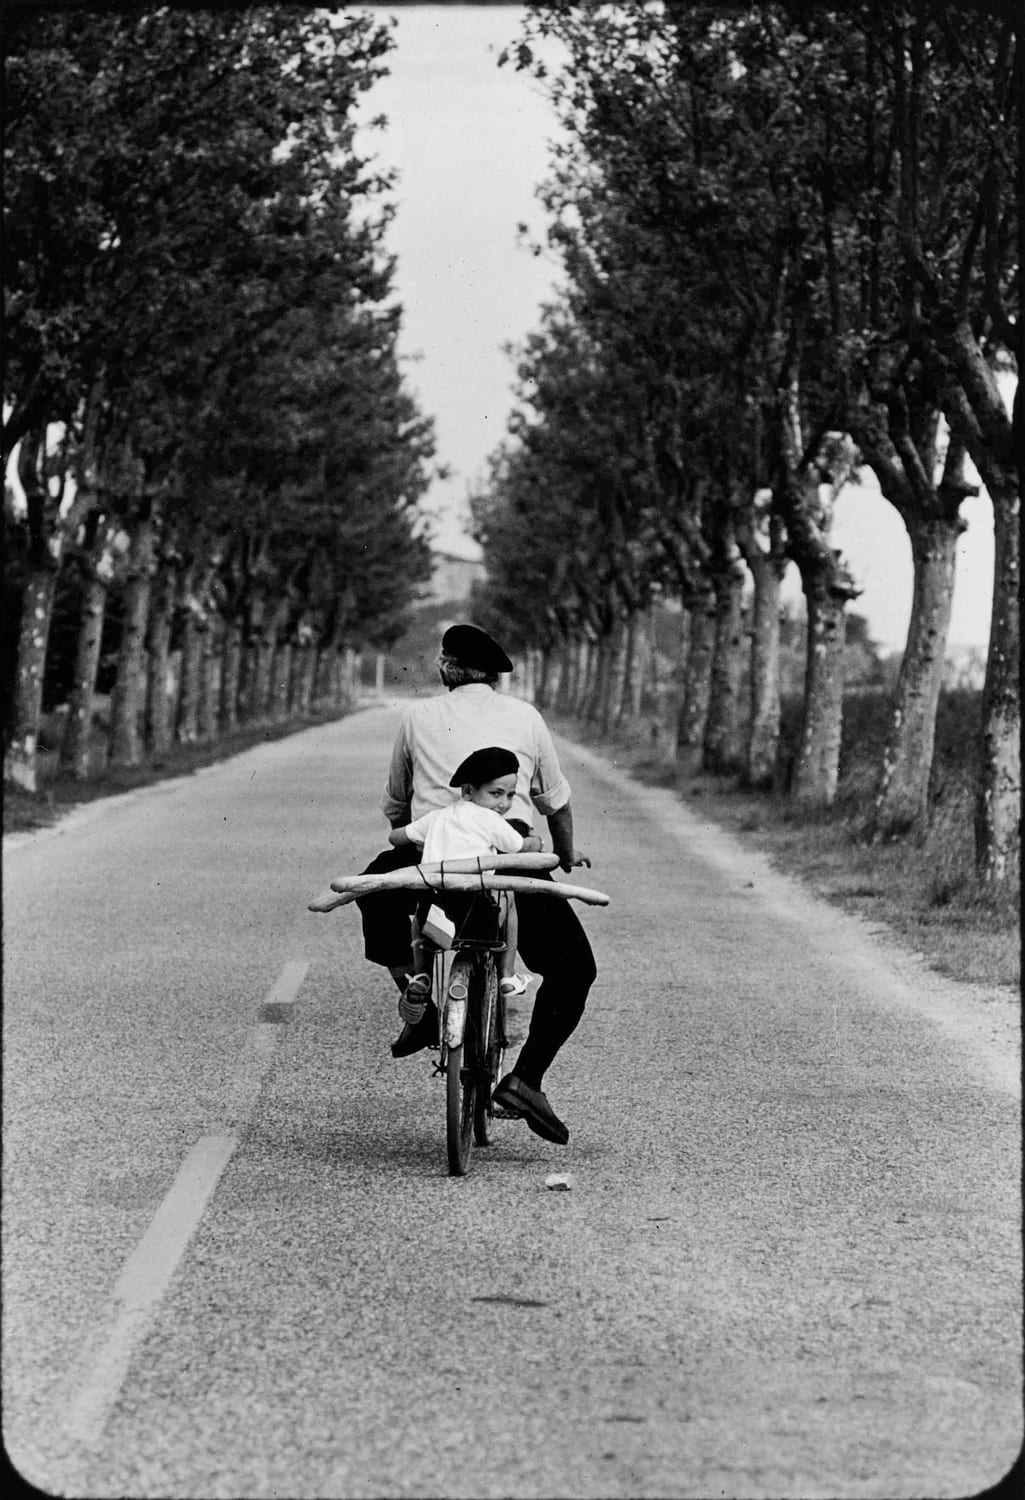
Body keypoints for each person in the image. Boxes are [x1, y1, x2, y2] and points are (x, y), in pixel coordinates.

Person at [357, 621, 597, 1146]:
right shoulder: (526, 717)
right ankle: (526, 1081)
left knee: (373, 893)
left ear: (446, 668)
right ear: (495, 676)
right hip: (507, 865)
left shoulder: (417, 715)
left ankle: (419, 1001)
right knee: (575, 969)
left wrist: (421, 833)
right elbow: (555, 800)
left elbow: (396, 804)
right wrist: (564, 852)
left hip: (433, 862)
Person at [387, 744, 542, 1024]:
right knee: (509, 897)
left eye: (509, 795)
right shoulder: (491, 821)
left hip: (438, 908)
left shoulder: (437, 817)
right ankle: (507, 974)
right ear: (468, 790)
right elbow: (518, 847)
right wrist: (536, 843)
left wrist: (423, 836)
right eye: (496, 793)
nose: (504, 803)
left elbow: (396, 838)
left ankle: (422, 973)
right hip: (480, 907)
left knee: (420, 914)